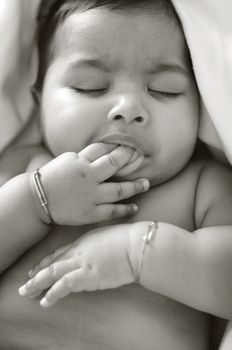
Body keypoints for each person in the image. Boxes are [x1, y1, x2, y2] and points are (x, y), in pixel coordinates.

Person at [0, 0, 232, 349]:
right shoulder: (27, 167)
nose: (129, 109)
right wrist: (36, 201)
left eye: (163, 90)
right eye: (90, 87)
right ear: (39, 99)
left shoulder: (201, 187)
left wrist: (135, 253)